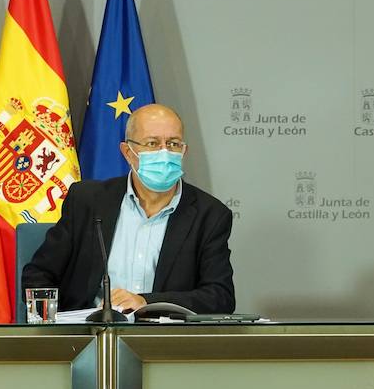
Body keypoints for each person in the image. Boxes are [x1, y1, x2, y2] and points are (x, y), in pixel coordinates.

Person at [23, 103, 235, 314]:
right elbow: (38, 275)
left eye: (173, 144)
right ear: (128, 152)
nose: (164, 152)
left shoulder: (210, 215)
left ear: (184, 151)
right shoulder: (87, 201)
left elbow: (220, 296)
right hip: (86, 337)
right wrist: (54, 330)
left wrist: (146, 302)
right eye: (152, 143)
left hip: (163, 340)